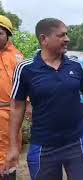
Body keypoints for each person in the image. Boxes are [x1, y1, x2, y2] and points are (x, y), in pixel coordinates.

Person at [3, 18, 83, 180]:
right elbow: (16, 107)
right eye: (61, 35)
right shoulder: (26, 69)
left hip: (78, 143)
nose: (67, 39)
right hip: (43, 145)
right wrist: (13, 146)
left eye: (67, 34)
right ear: (44, 39)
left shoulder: (76, 66)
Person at [0, 15, 29, 179]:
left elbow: (25, 90)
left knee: (8, 160)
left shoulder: (17, 58)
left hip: (8, 116)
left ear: (8, 35)